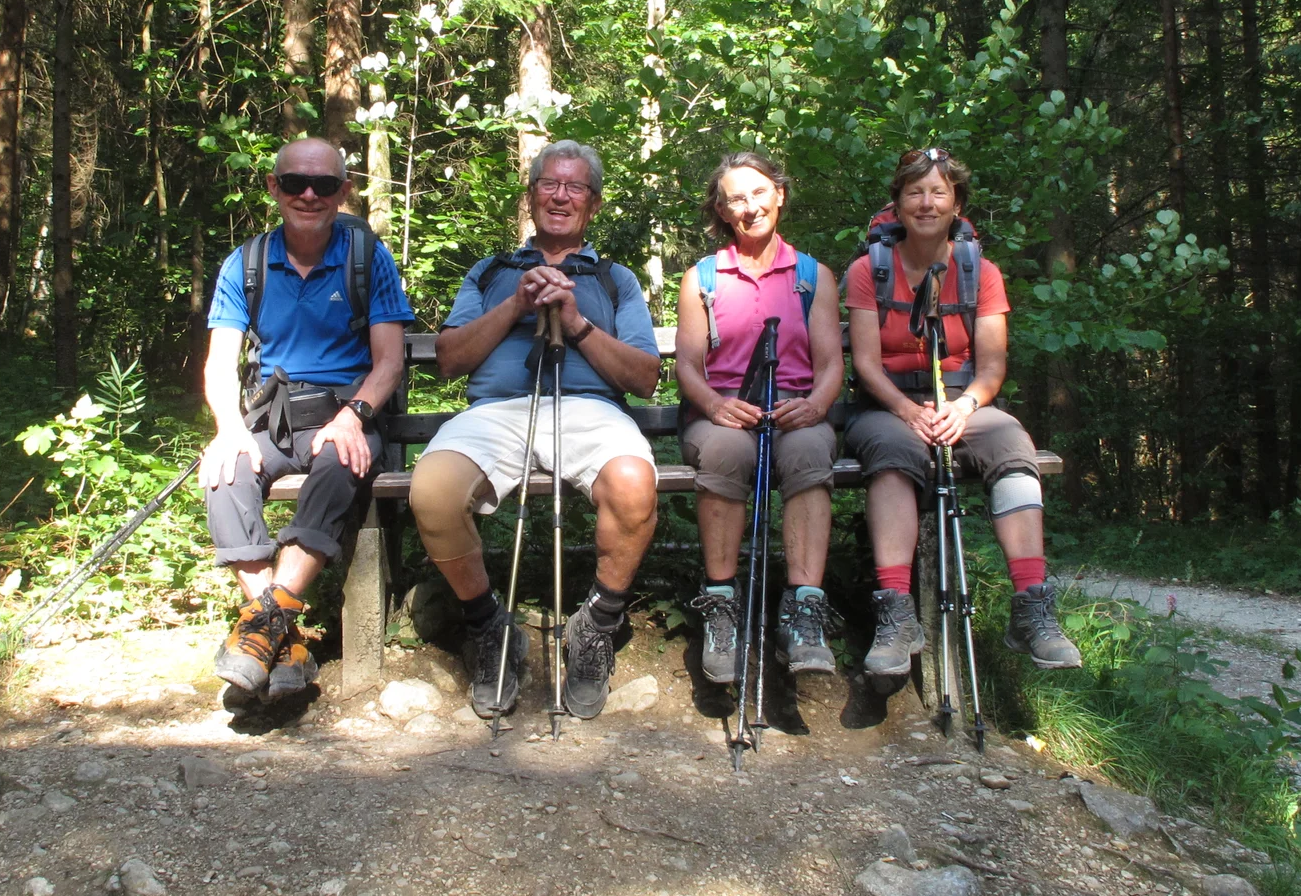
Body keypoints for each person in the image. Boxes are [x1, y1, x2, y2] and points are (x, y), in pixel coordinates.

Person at [409, 141, 663, 721]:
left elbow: (646, 377)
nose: (561, 196)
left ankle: (596, 625)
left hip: (589, 410)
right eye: (550, 184)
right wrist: (516, 307)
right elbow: (448, 359)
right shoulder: (491, 271)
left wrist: (575, 322)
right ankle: (490, 627)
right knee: (433, 492)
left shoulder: (614, 278)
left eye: (575, 188)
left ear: (592, 205)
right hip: (497, 411)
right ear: (531, 195)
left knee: (633, 485)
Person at [844, 147, 1081, 673]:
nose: (926, 203)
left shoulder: (981, 273)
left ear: (956, 204)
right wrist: (909, 411)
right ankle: (896, 613)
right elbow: (865, 364)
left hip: (961, 401)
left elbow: (992, 367)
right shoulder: (868, 271)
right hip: (888, 405)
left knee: (1011, 441)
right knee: (892, 450)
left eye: (938, 192)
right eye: (914, 192)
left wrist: (965, 406)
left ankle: (1033, 607)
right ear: (898, 203)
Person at [200, 138, 414, 701]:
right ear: (275, 188)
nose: (309, 195)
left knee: (338, 459)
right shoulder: (245, 264)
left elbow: (390, 360)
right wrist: (228, 428)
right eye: (295, 182)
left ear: (345, 191)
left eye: (324, 184)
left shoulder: (367, 257)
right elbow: (220, 363)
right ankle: (282, 635)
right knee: (224, 473)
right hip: (274, 419)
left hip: (349, 410)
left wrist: (353, 417)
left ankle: (258, 631)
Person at [674, 152, 844, 682]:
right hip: (722, 411)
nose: (750, 207)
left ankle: (805, 610)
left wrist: (816, 405)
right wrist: (715, 406)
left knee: (811, 451)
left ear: (780, 195)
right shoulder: (702, 277)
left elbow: (832, 363)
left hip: (794, 408)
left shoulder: (812, 275)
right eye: (735, 200)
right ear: (722, 212)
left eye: (758, 193)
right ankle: (721, 605)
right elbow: (686, 365)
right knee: (726, 452)